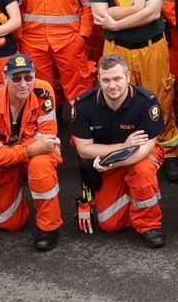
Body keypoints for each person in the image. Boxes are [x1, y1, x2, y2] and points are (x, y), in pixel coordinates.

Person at [88, 0, 177, 154]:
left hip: (152, 47)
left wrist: (116, 22)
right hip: (116, 50)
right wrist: (138, 7)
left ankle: (167, 151)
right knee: (117, 99)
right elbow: (99, 13)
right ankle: (125, 150)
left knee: (159, 97)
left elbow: (154, 12)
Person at [72, 52, 168, 247]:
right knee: (110, 224)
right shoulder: (84, 104)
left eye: (117, 78)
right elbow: (83, 150)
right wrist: (123, 147)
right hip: (106, 163)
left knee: (142, 170)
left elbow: (147, 147)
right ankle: (132, 194)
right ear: (98, 79)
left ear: (128, 76)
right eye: (105, 80)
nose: (112, 85)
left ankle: (149, 225)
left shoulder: (146, 101)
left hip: (137, 157)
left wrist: (112, 162)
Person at [0, 52, 65, 249]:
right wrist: (29, 149)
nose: (23, 84)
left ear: (34, 76)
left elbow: (48, 139)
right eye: (16, 78)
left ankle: (49, 228)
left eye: (28, 77)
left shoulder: (44, 91)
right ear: (4, 78)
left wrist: (20, 151)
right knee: (11, 223)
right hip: (5, 163)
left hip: (25, 154)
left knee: (41, 165)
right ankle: (0, 192)